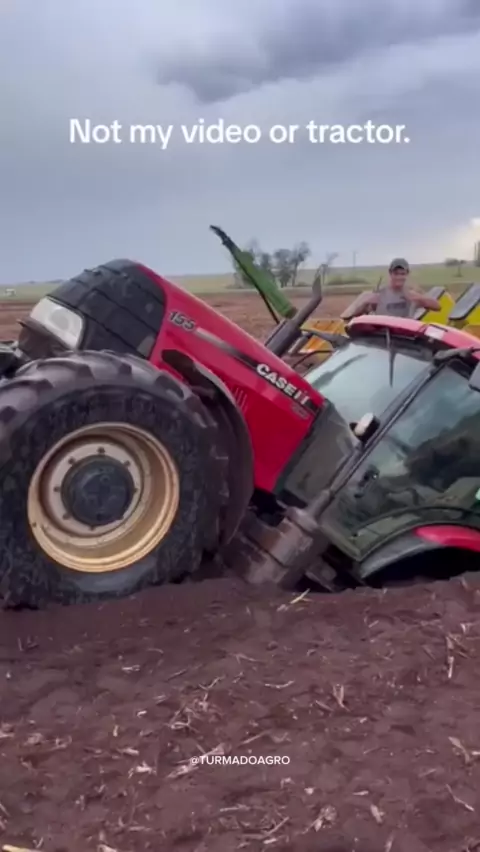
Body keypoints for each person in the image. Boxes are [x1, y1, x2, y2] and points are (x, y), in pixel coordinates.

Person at [348, 258, 441, 318]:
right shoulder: (380, 294)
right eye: (396, 274)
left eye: (402, 274)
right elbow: (355, 315)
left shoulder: (412, 294)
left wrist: (419, 298)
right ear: (390, 273)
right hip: (383, 337)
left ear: (407, 274)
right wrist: (365, 303)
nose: (399, 277)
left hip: (404, 337)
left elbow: (437, 306)